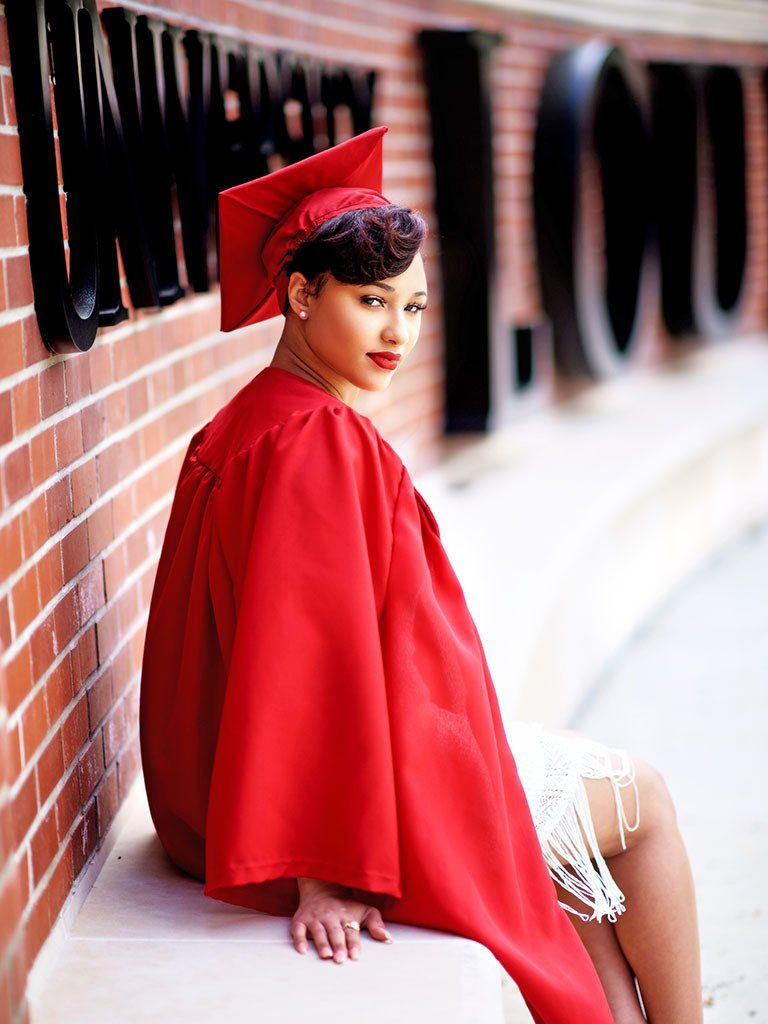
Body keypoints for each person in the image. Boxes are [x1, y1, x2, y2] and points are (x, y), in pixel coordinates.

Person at [139, 126, 703, 1024]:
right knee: (644, 803)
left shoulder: (259, 417)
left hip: (237, 784)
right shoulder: (317, 441)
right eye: (371, 302)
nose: (397, 333)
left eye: (415, 308)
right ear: (297, 292)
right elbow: (306, 656)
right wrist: (328, 870)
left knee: (581, 870)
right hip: (337, 803)